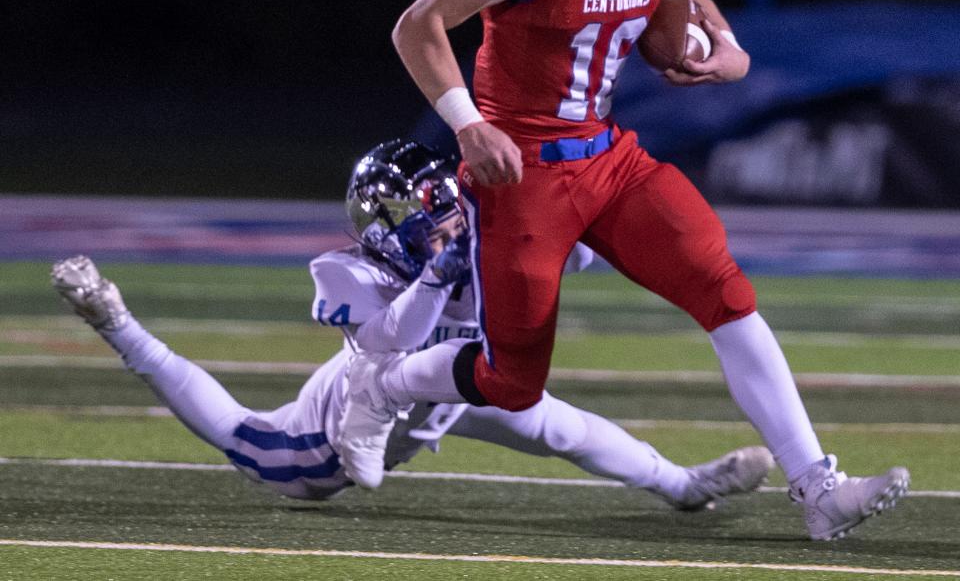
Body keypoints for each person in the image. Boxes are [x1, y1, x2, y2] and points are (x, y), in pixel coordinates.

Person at [340, 0, 910, 541]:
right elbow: (417, 28)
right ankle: (382, 385)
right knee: (514, 382)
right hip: (522, 168)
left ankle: (817, 487)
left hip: (610, 159)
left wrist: (722, 46)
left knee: (724, 289)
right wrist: (469, 126)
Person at [49, 138, 774, 508]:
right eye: (421, 212)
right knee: (245, 436)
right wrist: (439, 272)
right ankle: (114, 319)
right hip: (332, 434)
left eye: (441, 204)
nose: (441, 219)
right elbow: (386, 341)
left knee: (561, 426)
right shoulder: (345, 272)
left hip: (448, 388)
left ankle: (682, 487)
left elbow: (573, 249)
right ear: (381, 226)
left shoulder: (465, 234)